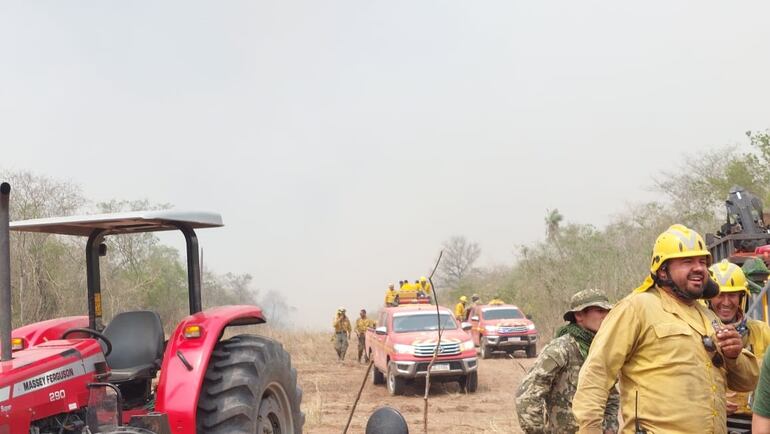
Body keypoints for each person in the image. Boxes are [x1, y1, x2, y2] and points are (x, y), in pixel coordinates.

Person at [573, 224, 759, 433]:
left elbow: (747, 382)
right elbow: (597, 373)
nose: (699, 268)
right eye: (687, 261)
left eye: (702, 261)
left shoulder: (708, 316)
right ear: (662, 270)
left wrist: (734, 357)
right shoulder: (636, 308)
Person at [516, 288, 618, 434]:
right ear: (579, 315)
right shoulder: (561, 349)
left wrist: (609, 429)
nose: (605, 316)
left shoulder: (602, 350)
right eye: (599, 310)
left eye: (607, 311)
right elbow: (528, 394)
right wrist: (537, 431)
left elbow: (612, 398)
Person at [708, 259, 770, 421]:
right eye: (720, 295)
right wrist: (713, 401)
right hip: (715, 422)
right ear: (708, 298)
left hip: (756, 421)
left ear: (742, 296)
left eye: (733, 295)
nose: (726, 302)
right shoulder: (698, 333)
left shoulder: (762, 331)